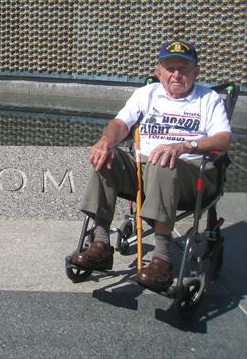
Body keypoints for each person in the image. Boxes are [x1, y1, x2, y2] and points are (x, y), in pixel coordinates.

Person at [71, 40, 232, 291]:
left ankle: (162, 261)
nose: (176, 74)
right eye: (170, 68)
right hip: (142, 171)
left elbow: (224, 139)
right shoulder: (146, 94)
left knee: (163, 159)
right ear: (159, 72)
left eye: (184, 68)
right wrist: (106, 141)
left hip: (189, 175)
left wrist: (182, 147)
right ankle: (100, 243)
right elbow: (120, 124)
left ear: (196, 72)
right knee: (106, 157)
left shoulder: (208, 98)